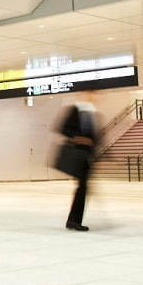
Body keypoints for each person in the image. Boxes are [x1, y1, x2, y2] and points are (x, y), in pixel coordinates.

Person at [55, 90, 98, 230]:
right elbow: (62, 129)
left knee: (83, 188)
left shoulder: (91, 113)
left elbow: (94, 137)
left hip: (86, 156)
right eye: (90, 94)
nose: (92, 96)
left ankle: (73, 220)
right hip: (77, 154)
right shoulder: (75, 110)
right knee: (82, 188)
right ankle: (74, 221)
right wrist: (78, 138)